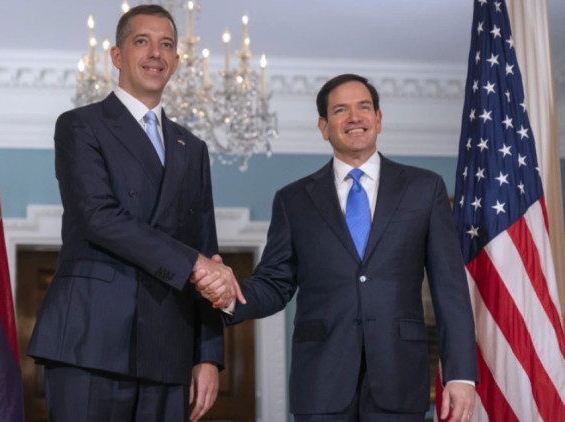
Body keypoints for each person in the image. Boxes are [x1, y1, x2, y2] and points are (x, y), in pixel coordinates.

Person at [195, 74, 479, 421]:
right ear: (324, 126)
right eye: (341, 110)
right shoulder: (293, 200)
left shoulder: (424, 189)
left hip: (400, 376)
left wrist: (460, 374)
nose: (354, 117)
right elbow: (274, 283)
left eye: (363, 107)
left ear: (379, 119)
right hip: (320, 382)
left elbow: (450, 286)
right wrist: (228, 296)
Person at [27, 5, 244, 422]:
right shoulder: (79, 126)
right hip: (91, 339)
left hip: (169, 347)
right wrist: (194, 263)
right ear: (116, 55)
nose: (155, 53)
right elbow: (99, 217)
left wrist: (207, 355)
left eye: (167, 45)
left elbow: (206, 247)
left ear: (177, 60)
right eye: (142, 41)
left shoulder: (193, 149)